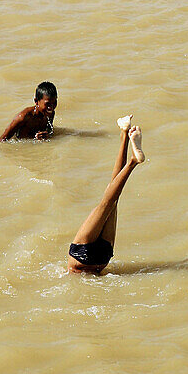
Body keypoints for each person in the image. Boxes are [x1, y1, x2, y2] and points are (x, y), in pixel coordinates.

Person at [68, 115, 145, 274]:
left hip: (101, 260)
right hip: (82, 258)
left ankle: (124, 134)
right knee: (107, 202)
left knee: (112, 199)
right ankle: (132, 162)